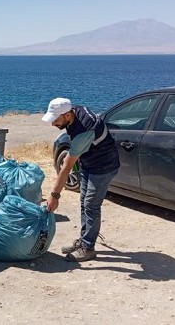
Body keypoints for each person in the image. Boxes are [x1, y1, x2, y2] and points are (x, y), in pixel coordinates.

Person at [41, 97, 120, 262]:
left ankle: (88, 248)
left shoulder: (84, 131)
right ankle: (84, 241)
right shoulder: (73, 110)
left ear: (67, 115)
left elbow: (67, 168)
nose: (53, 124)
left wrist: (54, 196)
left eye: (55, 120)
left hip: (103, 167)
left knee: (91, 205)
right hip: (89, 163)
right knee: (84, 202)